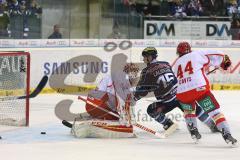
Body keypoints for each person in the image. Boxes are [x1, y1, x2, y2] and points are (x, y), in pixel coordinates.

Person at [132, 47, 219, 136]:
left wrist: (134, 98)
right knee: (194, 109)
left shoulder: (146, 71)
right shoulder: (166, 64)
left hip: (166, 102)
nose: (143, 59)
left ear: (149, 57)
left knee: (152, 110)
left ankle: (169, 125)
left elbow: (142, 90)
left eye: (144, 57)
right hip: (180, 96)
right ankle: (212, 125)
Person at [173, 42, 237, 145]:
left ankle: (193, 130)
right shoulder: (197, 54)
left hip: (182, 92)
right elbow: (220, 54)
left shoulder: (176, 63)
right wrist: (224, 62)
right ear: (189, 49)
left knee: (189, 111)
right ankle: (226, 133)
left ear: (178, 52)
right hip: (199, 89)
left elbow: (176, 79)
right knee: (214, 112)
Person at [71, 63, 140, 138]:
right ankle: (95, 123)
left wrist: (128, 117)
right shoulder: (119, 81)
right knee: (119, 112)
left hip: (94, 106)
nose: (135, 80)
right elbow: (118, 100)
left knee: (118, 116)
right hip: (98, 105)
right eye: (134, 77)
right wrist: (127, 117)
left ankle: (93, 122)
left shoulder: (119, 80)